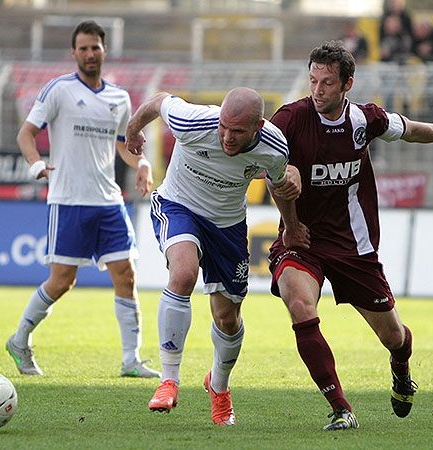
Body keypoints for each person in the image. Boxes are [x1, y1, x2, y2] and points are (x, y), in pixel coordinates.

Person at [267, 41, 433, 431]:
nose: (317, 89)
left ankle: (401, 369)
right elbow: (273, 175)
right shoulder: (289, 120)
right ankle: (341, 408)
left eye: (327, 82)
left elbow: (409, 130)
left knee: (394, 337)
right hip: (302, 241)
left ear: (347, 85)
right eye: (313, 80)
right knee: (300, 304)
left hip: (354, 246)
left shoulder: (364, 120)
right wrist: (290, 223)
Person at [125, 88, 301, 425]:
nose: (227, 137)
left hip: (228, 225)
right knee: (184, 273)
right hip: (179, 206)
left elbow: (280, 186)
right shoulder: (192, 121)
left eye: (237, 131)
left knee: (227, 317)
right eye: (223, 127)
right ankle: (169, 380)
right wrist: (133, 130)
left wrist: (291, 226)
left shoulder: (274, 148)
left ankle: (218, 387)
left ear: (258, 126)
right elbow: (159, 100)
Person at [5, 20, 160, 379]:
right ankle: (19, 339)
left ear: (104, 51)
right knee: (62, 281)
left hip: (108, 201)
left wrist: (143, 163)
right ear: (74, 53)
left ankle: (130, 359)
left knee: (127, 274)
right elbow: (26, 134)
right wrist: (35, 164)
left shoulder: (119, 98)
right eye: (84, 48)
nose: (91, 54)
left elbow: (123, 144)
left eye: (96, 47)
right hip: (69, 200)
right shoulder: (58, 90)